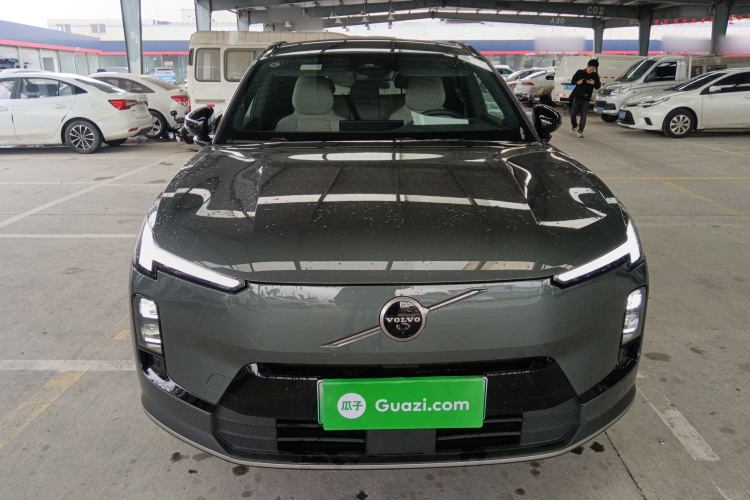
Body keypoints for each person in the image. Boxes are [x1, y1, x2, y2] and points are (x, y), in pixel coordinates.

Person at [568, 59, 601, 138]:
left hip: (586, 98)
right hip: (577, 96)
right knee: (573, 114)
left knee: (583, 115)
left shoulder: (595, 75)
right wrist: (577, 82)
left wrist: (594, 83)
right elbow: (572, 81)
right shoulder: (580, 72)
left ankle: (580, 131)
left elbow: (598, 86)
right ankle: (574, 125)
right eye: (591, 69)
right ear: (587, 66)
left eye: (593, 70)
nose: (591, 71)